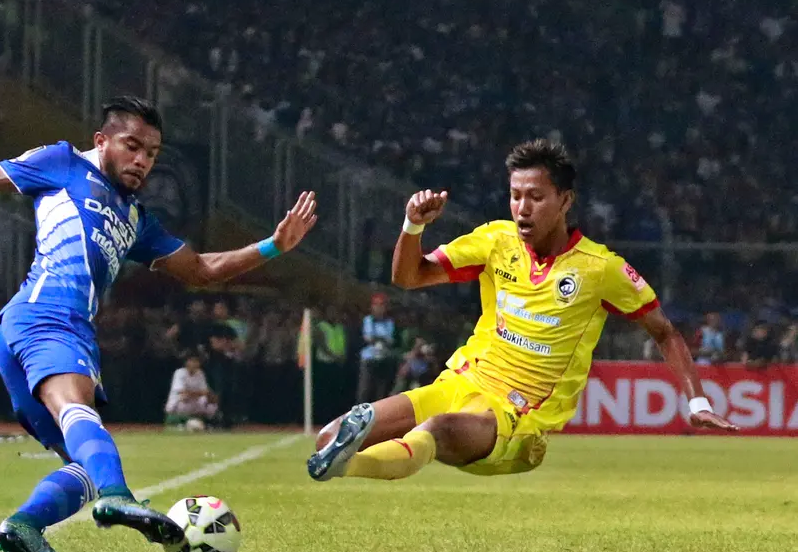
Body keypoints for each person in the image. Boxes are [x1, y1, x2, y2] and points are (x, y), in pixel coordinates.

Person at [0, 95, 317, 552]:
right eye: (132, 146)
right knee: (81, 419)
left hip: (39, 330)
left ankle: (23, 526)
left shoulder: (137, 219)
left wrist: (272, 246)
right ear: (101, 140)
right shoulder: (61, 162)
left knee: (84, 463)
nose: (142, 160)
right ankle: (118, 498)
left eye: (151, 154)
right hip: (46, 316)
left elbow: (202, 269)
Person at [307, 139, 737, 486]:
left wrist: (696, 400)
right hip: (463, 381)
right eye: (515, 196)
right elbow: (409, 277)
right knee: (328, 439)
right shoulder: (496, 241)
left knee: (434, 431)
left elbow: (663, 331)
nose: (522, 208)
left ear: (565, 200)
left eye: (536, 196)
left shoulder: (600, 268)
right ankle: (340, 459)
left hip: (519, 418)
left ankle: (352, 464)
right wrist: (413, 226)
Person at [357, 292, 397, 403]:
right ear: (372, 307)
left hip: (383, 359)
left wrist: (378, 339)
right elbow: (368, 338)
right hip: (369, 359)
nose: (379, 308)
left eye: (382, 305)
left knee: (381, 391)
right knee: (365, 391)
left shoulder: (389, 322)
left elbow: (389, 340)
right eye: (377, 305)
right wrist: (381, 339)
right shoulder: (368, 320)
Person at [164, 353, 218, 429]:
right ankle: (179, 423)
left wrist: (194, 394)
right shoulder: (179, 372)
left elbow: (205, 392)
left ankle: (206, 423)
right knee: (184, 400)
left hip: (193, 401)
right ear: (186, 362)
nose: (194, 364)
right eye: (192, 361)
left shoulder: (200, 373)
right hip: (179, 403)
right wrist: (198, 393)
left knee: (212, 405)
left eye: (196, 361)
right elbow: (182, 392)